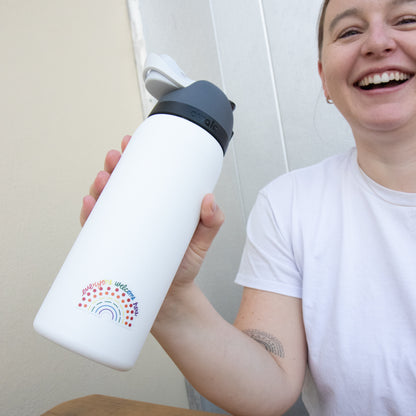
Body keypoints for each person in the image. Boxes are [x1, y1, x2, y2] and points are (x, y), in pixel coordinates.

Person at [80, 0, 416, 414]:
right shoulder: (289, 205)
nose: (378, 43)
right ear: (324, 80)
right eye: (349, 31)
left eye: (408, 21)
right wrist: (166, 295)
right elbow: (268, 386)